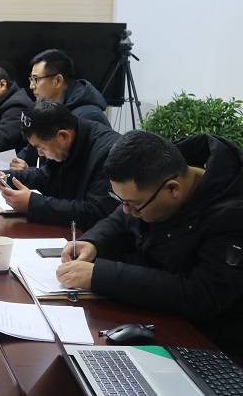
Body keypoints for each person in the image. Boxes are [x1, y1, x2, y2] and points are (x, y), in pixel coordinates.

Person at [56, 130, 243, 359]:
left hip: (209, 347)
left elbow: (200, 295)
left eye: (133, 205)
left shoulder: (233, 216)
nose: (127, 210)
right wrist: (92, 242)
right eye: (121, 200)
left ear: (172, 189)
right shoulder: (156, 169)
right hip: (153, 312)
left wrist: (99, 275)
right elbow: (122, 218)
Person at [0, 100, 121, 231]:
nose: (39, 153)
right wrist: (9, 177)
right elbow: (48, 176)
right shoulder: (69, 140)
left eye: (42, 148)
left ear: (63, 136)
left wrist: (33, 204)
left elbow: (96, 212)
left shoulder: (108, 154)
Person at [13, 49, 110, 168]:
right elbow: (33, 147)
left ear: (58, 81)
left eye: (36, 79)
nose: (31, 86)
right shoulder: (48, 110)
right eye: (31, 79)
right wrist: (13, 165)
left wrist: (29, 172)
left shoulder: (87, 116)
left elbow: (75, 170)